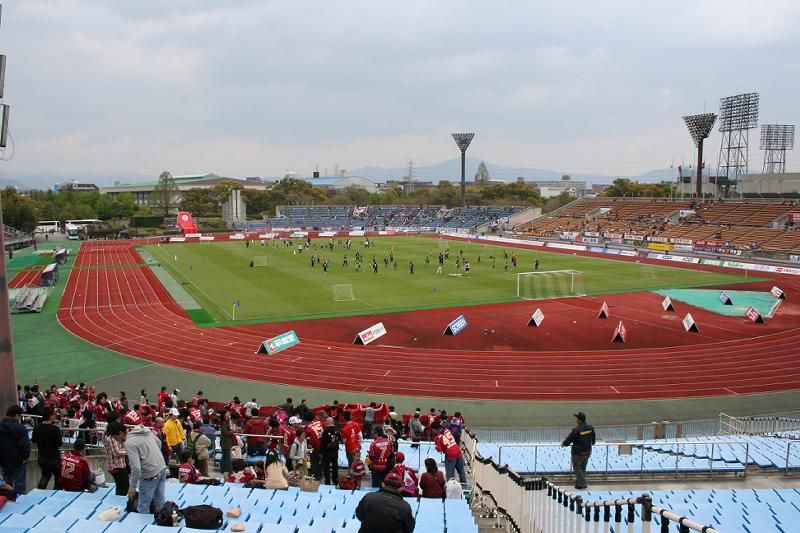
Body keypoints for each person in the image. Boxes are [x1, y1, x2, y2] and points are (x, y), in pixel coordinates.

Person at [127, 423, 168, 514]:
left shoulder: (130, 442)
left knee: (143, 506)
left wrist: (132, 486)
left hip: (149, 474)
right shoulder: (147, 432)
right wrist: (153, 456)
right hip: (161, 467)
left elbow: (136, 467)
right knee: (160, 501)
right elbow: (159, 442)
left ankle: (143, 526)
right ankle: (162, 519)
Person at [0, 405, 31, 495]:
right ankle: (19, 499)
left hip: (3, 460)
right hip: (18, 460)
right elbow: (24, 445)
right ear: (17, 415)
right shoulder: (20, 428)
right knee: (20, 482)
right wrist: (25, 457)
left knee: (6, 482)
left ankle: (7, 498)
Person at [562, 412, 595, 490]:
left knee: (577, 467)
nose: (576, 420)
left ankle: (583, 483)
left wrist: (564, 444)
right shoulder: (590, 428)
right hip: (587, 451)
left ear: (580, 420)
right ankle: (579, 484)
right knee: (582, 468)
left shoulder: (577, 430)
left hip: (578, 453)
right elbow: (593, 439)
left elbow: (568, 440)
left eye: (576, 418)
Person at [31, 406, 62, 489]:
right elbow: (59, 443)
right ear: (51, 416)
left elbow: (34, 440)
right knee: (57, 477)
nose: (55, 416)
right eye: (54, 414)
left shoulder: (37, 427)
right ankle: (56, 493)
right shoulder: (55, 429)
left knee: (45, 476)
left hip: (42, 456)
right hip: (54, 457)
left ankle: (40, 492)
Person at [104, 421, 130, 495]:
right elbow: (116, 452)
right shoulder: (111, 438)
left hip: (121, 465)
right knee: (123, 487)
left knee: (122, 485)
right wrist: (128, 451)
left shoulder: (118, 438)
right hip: (116, 466)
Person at [320, 417, 341, 486]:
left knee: (326, 468)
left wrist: (321, 452)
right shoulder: (337, 430)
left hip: (327, 452)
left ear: (327, 422)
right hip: (335, 452)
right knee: (335, 467)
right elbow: (340, 440)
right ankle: (335, 481)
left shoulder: (325, 432)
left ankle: (327, 481)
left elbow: (323, 443)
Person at [219, 409, 234, 479]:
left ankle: (224, 470)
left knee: (225, 457)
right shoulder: (223, 422)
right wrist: (232, 431)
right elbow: (225, 433)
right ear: (225, 414)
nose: (229, 413)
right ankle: (229, 471)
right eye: (227, 413)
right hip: (225, 442)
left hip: (227, 441)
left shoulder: (227, 421)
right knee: (227, 457)